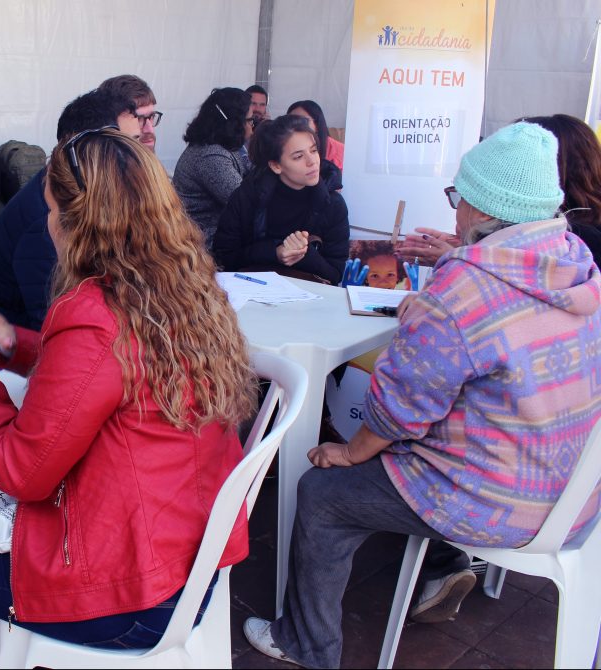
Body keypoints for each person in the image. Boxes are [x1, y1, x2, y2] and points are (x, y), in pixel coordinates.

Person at [242, 121, 601, 668]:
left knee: (322, 493)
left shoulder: (466, 287)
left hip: (497, 501)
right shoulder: (575, 263)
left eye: (459, 198)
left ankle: (306, 645)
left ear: (481, 211)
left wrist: (349, 450)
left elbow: (400, 409)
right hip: (575, 492)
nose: (455, 211)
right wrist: (434, 316)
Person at [0, 129, 257, 668]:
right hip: (191, 560)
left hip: (131, 595)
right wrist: (22, 347)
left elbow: (23, 472)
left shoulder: (93, 310)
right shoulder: (186, 287)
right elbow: (118, 364)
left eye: (49, 209)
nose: (45, 223)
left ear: (75, 220)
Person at [0, 89, 139, 331]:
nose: (139, 156)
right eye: (125, 146)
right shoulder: (45, 218)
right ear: (82, 148)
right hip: (17, 348)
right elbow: (53, 324)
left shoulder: (92, 197)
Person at [399, 113, 601, 265]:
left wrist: (457, 261)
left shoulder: (576, 241)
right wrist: (467, 248)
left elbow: (523, 280)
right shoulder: (559, 233)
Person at [215, 115, 350, 284]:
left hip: (311, 300)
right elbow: (224, 257)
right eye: (298, 156)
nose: (312, 161)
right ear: (276, 165)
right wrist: (275, 252)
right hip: (253, 296)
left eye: (314, 150)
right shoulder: (247, 196)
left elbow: (335, 273)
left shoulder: (333, 204)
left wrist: (303, 254)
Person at [173, 87, 254, 250]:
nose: (253, 127)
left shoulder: (223, 148)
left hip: (214, 239)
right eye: (250, 121)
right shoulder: (210, 156)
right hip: (203, 247)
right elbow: (246, 204)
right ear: (234, 123)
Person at [99, 74, 161, 152]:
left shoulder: (153, 163)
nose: (149, 130)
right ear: (110, 124)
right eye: (138, 119)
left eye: (152, 116)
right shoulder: (101, 163)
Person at [287, 99, 344, 171]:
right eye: (291, 121)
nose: (296, 125)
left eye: (303, 121)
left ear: (317, 124)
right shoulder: (284, 146)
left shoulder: (340, 152)